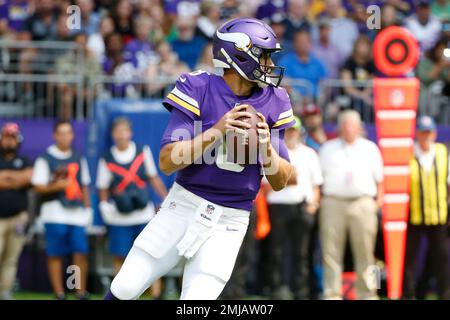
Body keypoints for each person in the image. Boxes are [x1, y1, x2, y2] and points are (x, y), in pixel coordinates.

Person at [105, 17, 295, 300]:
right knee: (125, 286)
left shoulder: (275, 99)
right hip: (183, 205)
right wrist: (218, 130)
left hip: (231, 218)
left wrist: (267, 149)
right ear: (239, 54)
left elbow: (281, 181)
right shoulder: (199, 87)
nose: (268, 65)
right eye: (263, 56)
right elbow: (168, 161)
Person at [319, 110, 383, 300]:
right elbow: (318, 180)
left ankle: (369, 293)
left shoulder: (370, 148)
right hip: (333, 202)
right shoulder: (327, 148)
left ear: (359, 127)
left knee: (367, 253)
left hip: (363, 203)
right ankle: (332, 293)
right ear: (339, 127)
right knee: (330, 252)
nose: (348, 128)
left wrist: (376, 204)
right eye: (344, 124)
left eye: (351, 124)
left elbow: (380, 180)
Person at [96, 117, 168, 274]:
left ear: (130, 133)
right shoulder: (107, 158)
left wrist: (166, 199)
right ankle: (120, 294)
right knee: (120, 255)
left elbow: (153, 176)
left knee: (148, 253)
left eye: (124, 131)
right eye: (117, 132)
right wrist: (103, 205)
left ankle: (155, 294)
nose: (121, 136)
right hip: (119, 215)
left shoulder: (143, 150)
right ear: (113, 135)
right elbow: (102, 186)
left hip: (143, 213)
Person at [32, 121, 92, 300]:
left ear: (73, 135)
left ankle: (79, 291)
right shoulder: (45, 158)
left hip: (76, 212)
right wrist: (57, 186)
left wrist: (88, 208)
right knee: (55, 253)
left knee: (80, 251)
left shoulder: (78, 157)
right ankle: (59, 292)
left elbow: (85, 185)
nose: (65, 137)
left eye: (68, 133)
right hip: (54, 212)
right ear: (55, 135)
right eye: (61, 133)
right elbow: (38, 187)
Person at [266, 116, 323, 299]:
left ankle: (302, 289)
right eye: (288, 131)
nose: (291, 134)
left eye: (294, 130)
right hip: (279, 204)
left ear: (300, 132)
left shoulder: (309, 154)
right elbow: (265, 183)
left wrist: (314, 204)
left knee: (302, 251)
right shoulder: (273, 152)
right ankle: (277, 288)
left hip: (302, 205)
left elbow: (316, 184)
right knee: (277, 250)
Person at [403, 116, 450, 300]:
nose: (425, 136)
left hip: (439, 214)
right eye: (422, 132)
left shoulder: (443, 153)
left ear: (434, 133)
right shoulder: (408, 153)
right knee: (410, 260)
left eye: (428, 132)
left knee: (442, 258)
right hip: (413, 214)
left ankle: (445, 294)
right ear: (417, 134)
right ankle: (409, 295)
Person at [0, 123, 32, 300]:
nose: (9, 141)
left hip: (18, 216)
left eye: (12, 137)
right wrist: (16, 179)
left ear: (17, 140)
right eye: (6, 137)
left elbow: (28, 178)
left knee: (11, 259)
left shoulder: (25, 159)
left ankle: (5, 291)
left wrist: (6, 177)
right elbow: (20, 179)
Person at [279, 30, 328, 99]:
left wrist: (319, 97)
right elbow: (284, 83)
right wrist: (297, 97)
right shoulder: (285, 62)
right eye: (300, 42)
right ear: (294, 44)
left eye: (306, 42)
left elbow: (324, 83)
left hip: (315, 100)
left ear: (310, 44)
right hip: (293, 101)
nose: (303, 45)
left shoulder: (318, 63)